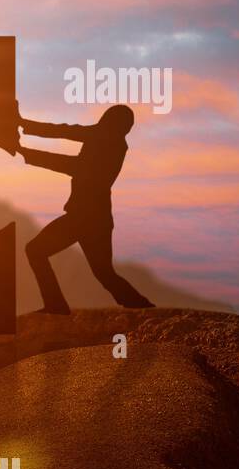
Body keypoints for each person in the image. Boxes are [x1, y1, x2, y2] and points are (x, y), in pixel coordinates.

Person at [17, 103, 155, 315]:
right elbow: (64, 131)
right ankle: (142, 306)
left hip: (83, 219)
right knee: (104, 273)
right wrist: (25, 126)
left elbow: (71, 161)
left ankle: (56, 305)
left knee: (36, 250)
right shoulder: (108, 140)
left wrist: (25, 150)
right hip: (96, 220)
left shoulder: (107, 142)